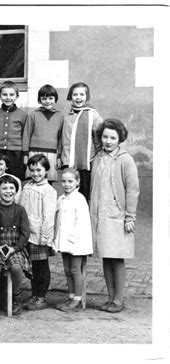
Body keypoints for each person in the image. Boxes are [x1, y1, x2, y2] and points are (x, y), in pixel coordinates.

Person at [90, 119, 139, 313]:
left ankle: (119, 299)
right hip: (100, 213)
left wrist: (130, 216)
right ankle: (110, 298)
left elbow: (133, 189)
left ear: (120, 139)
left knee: (117, 257)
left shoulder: (125, 159)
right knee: (106, 256)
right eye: (105, 137)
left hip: (118, 215)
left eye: (113, 137)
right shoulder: (98, 157)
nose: (108, 141)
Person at [0, 175, 31, 315]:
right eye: (4, 188)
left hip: (15, 248)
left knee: (16, 267)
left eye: (11, 188)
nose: (8, 191)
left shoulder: (20, 210)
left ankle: (16, 298)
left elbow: (25, 233)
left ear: (16, 190)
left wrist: (16, 248)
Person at [19, 153, 56, 310]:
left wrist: (45, 236)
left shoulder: (48, 190)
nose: (36, 174)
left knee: (41, 266)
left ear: (46, 170)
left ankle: (41, 296)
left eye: (39, 170)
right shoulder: (26, 186)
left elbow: (48, 216)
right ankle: (34, 295)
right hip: (27, 233)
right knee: (33, 266)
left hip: (39, 234)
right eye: (32, 170)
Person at [54, 168, 93, 312]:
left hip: (76, 242)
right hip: (64, 240)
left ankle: (77, 299)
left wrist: (73, 239)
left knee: (76, 270)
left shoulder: (79, 199)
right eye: (63, 181)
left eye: (70, 181)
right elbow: (59, 221)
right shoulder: (61, 199)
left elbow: (81, 222)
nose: (67, 184)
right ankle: (71, 297)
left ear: (77, 182)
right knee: (67, 270)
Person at [61, 82, 103, 201]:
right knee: (69, 194)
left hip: (86, 163)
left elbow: (99, 137)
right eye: (75, 95)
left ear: (87, 96)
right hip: (69, 161)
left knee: (84, 195)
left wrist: (97, 156)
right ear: (70, 97)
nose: (78, 97)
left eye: (82, 94)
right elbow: (64, 139)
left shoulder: (93, 115)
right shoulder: (67, 116)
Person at [23, 84, 64, 183]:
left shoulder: (60, 116)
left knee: (48, 181)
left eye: (50, 98)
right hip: (34, 152)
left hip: (51, 153)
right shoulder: (33, 114)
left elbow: (60, 138)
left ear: (55, 99)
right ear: (39, 100)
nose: (47, 101)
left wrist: (59, 156)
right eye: (44, 98)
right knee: (34, 178)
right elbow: (26, 135)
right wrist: (25, 155)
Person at [0, 81, 27, 180]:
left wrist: (25, 155)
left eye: (11, 95)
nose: (8, 97)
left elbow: (25, 135)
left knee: (15, 179)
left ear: (17, 96)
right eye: (4, 94)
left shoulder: (22, 114)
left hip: (16, 153)